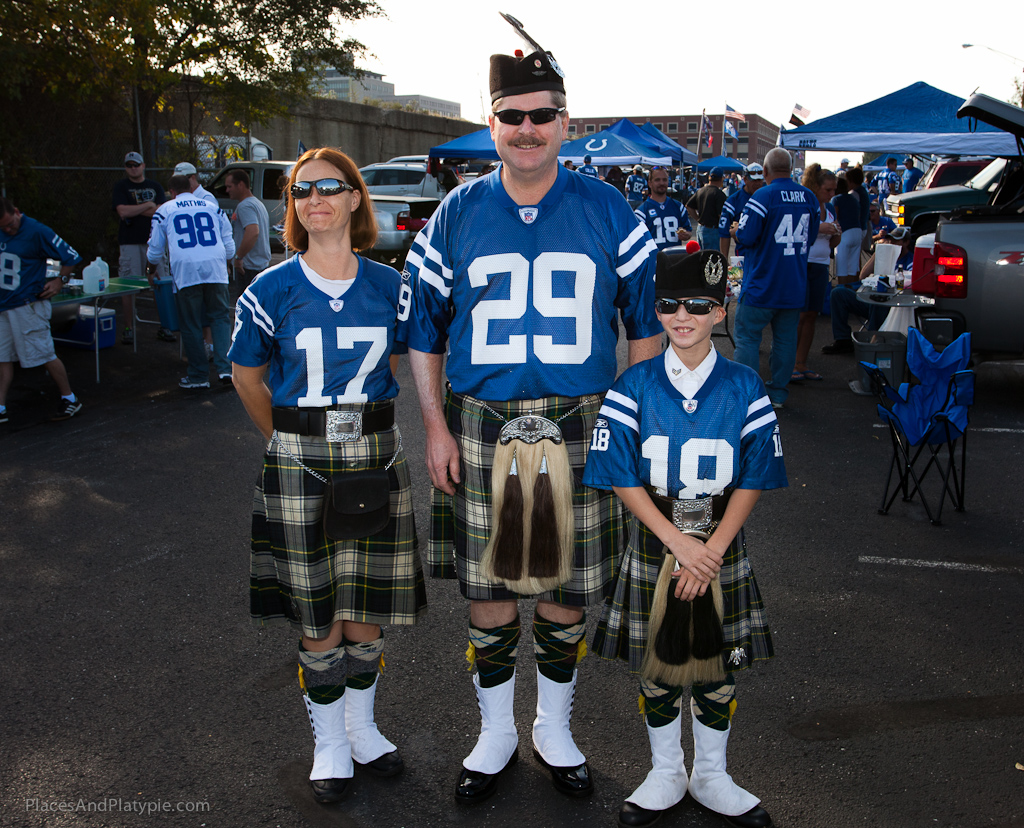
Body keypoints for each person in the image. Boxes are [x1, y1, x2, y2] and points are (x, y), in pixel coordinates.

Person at [399, 23, 662, 805]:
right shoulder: (454, 214)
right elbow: (423, 333)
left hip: (584, 414)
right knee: (486, 583)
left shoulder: (611, 211)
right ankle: (495, 731)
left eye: (541, 115)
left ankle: (553, 725)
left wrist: (633, 421)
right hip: (480, 414)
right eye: (511, 116)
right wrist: (436, 426)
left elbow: (644, 329)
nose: (526, 129)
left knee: (564, 582)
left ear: (565, 124)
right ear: (492, 124)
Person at [230, 147, 426, 805]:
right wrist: (286, 441)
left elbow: (412, 361)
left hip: (374, 455)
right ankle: (330, 743)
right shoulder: (269, 290)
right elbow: (247, 376)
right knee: (318, 612)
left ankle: (364, 729)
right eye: (301, 190)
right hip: (299, 462)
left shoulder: (391, 286)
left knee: (366, 608)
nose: (315, 198)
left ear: (353, 200)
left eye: (329, 187)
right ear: (295, 207)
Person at [584, 245, 785, 828]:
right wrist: (678, 542)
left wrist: (713, 549)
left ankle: (713, 773)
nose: (683, 316)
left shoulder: (746, 385)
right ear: (657, 310)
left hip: (718, 540)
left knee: (716, 664)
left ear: (721, 311)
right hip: (657, 539)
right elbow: (619, 473)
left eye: (699, 305)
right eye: (670, 304)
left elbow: (753, 476)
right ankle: (666, 770)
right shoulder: (634, 383)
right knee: (657, 662)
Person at [733, 147, 820, 409]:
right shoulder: (809, 197)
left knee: (747, 337)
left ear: (766, 171)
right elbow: (812, 238)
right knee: (785, 340)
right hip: (793, 284)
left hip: (762, 283)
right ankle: (778, 394)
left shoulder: (763, 195)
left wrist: (737, 231)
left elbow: (746, 236)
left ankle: (747, 396)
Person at [146, 174, 234, 389]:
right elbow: (229, 246)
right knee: (220, 319)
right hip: (215, 268)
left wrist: (151, 268)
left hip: (186, 271)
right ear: (191, 188)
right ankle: (226, 370)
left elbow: (155, 249)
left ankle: (198, 375)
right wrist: (225, 261)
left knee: (191, 323)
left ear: (172, 192)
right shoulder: (212, 207)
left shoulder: (165, 210)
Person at [0, 198, 83, 423]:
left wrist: (60, 280)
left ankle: (70, 398)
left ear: (17, 211)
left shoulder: (37, 231)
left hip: (27, 305)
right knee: (2, 357)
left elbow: (71, 257)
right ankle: (0, 407)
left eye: (10, 224)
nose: (8, 229)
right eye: (3, 227)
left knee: (44, 353)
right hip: (4, 306)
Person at [822, 226, 914, 354]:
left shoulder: (910, 260)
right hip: (870, 300)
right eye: (890, 240)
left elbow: (909, 283)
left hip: (892, 306)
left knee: (879, 298)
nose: (892, 244)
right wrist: (879, 252)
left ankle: (872, 341)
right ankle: (842, 340)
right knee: (838, 293)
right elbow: (862, 276)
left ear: (906, 242)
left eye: (896, 241)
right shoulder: (884, 255)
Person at [112, 151, 168, 344]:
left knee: (161, 283)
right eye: (129, 165)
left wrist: (135, 210)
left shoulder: (155, 186)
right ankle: (128, 327)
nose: (133, 168)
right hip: (129, 242)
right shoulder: (121, 187)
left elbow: (160, 212)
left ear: (143, 165)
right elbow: (122, 211)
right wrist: (147, 206)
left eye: (136, 164)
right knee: (129, 285)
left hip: (154, 242)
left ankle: (165, 326)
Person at [793, 165, 841, 382]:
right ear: (816, 187)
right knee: (799, 315)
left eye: (834, 190)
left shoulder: (829, 209)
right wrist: (821, 228)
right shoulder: (805, 205)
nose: (832, 194)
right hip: (803, 262)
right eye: (828, 190)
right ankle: (790, 362)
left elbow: (834, 244)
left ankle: (802, 362)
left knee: (812, 314)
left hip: (821, 265)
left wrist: (836, 232)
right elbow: (798, 232)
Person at [224, 169, 271, 286]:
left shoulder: (245, 206)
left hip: (249, 268)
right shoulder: (257, 203)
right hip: (259, 265)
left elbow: (253, 232)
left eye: (230, 186)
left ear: (240, 185)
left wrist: (239, 257)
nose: (227, 190)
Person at [635, 167, 692, 249]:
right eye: (657, 180)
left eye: (664, 180)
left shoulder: (679, 207)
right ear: (650, 183)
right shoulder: (641, 212)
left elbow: (689, 231)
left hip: (675, 258)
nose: (661, 183)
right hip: (654, 260)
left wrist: (686, 235)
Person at [718, 163, 765, 258]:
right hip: (743, 255)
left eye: (759, 180)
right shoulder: (733, 201)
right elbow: (724, 233)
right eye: (753, 180)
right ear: (745, 179)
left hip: (764, 255)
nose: (757, 183)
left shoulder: (768, 197)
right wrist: (724, 259)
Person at [686, 168, 727, 251]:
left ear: (709, 177)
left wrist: (698, 219)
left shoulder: (700, 191)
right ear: (721, 179)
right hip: (713, 230)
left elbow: (689, 206)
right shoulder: (719, 194)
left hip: (700, 228)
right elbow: (721, 216)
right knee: (712, 258)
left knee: (702, 257)